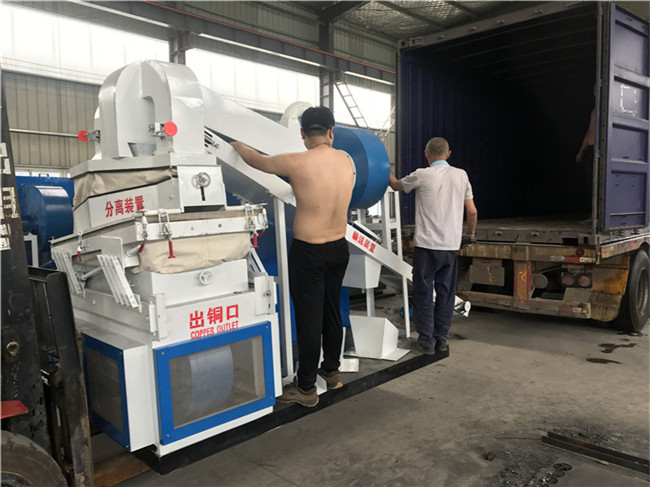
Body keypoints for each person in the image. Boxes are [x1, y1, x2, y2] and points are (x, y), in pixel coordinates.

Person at [231, 107, 354, 407]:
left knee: (309, 319)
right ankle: (332, 372)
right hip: (340, 247)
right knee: (332, 312)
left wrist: (238, 146)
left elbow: (256, 160)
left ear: (302, 133)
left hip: (310, 250)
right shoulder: (346, 162)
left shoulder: (297, 162)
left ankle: (307, 388)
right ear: (331, 131)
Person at [389, 137, 477, 355]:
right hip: (450, 247)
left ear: (426, 154)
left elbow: (396, 185)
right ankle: (442, 340)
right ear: (448, 154)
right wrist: (470, 234)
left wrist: (384, 169)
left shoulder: (421, 174)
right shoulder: (461, 175)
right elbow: (472, 211)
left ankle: (426, 342)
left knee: (424, 293)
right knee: (446, 294)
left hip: (426, 247)